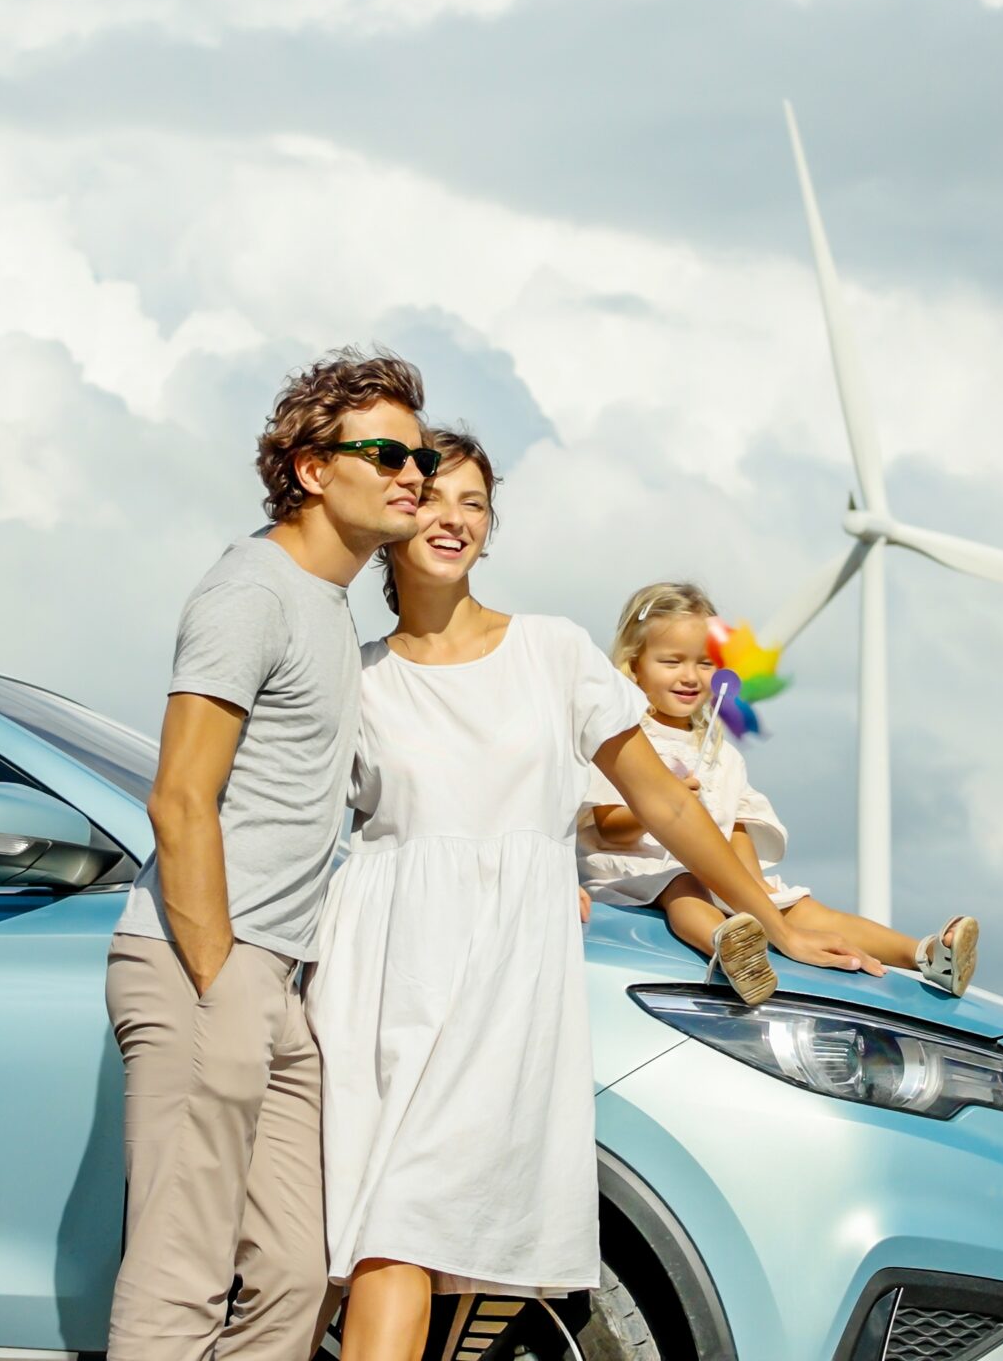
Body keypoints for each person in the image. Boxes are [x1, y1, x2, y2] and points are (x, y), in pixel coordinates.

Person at [305, 426, 882, 1361]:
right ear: (395, 510)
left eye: (476, 505)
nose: (454, 520)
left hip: (504, 980)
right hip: (382, 970)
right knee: (386, 1238)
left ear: (491, 532)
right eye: (436, 497)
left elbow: (664, 803)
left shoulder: (552, 653)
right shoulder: (355, 674)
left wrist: (774, 921)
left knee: (422, 1231)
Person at [105, 349, 440, 1361]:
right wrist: (219, 983)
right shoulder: (248, 592)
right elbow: (179, 798)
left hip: (278, 979)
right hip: (206, 961)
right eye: (385, 453)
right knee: (180, 1273)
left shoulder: (326, 609)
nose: (412, 476)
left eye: (419, 458)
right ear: (308, 469)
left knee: (296, 1274)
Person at [579, 580, 980, 996]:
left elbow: (736, 830)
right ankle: (730, 948)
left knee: (800, 907)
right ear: (634, 664)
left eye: (704, 664)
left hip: (716, 878)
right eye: (672, 661)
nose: (690, 676)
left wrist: (758, 895)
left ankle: (927, 954)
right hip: (637, 874)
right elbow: (608, 827)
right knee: (683, 883)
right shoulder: (622, 740)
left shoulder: (721, 755)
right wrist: (668, 798)